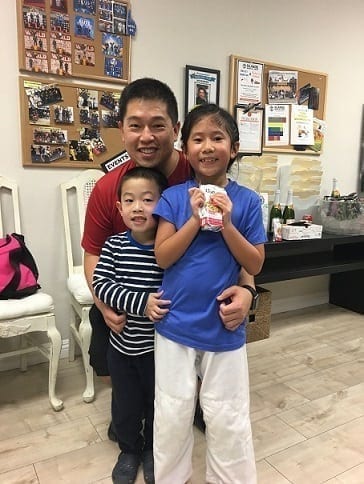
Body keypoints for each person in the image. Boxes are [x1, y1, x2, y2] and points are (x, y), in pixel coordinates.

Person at [81, 77, 256, 439]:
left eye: (157, 125)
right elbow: (93, 256)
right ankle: (132, 414)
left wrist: (248, 290)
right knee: (111, 346)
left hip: (192, 304)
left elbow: (238, 251)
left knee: (206, 406)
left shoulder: (198, 173)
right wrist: (103, 301)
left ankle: (189, 403)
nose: (146, 136)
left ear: (176, 131)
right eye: (135, 125)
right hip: (132, 298)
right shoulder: (107, 189)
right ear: (121, 130)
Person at [153, 103, 267, 484]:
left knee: (228, 413)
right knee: (172, 410)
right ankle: (171, 477)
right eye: (197, 139)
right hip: (175, 321)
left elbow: (255, 264)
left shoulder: (248, 202)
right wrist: (194, 218)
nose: (207, 146)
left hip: (224, 325)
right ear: (185, 149)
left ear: (233, 148)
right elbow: (164, 256)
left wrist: (227, 223)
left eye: (217, 138)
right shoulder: (173, 197)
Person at [93, 167, 170, 484]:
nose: (138, 207)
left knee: (156, 404)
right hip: (122, 348)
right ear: (119, 208)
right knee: (124, 405)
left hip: (158, 350)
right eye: (130, 200)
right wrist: (141, 303)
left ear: (163, 205)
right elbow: (101, 284)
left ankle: (152, 449)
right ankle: (129, 450)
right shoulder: (113, 246)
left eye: (148, 199)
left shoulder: (166, 250)